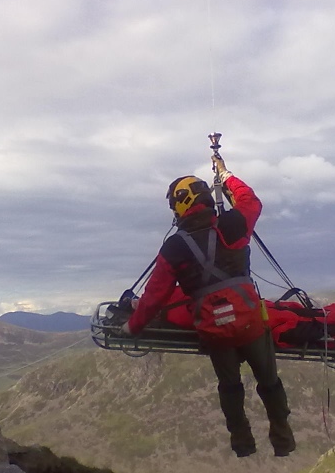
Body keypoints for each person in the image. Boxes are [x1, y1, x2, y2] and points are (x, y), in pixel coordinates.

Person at [121, 154, 296, 457]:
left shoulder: (175, 246)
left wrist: (132, 326)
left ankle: (242, 443)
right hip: (250, 323)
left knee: (229, 386)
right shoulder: (233, 224)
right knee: (269, 381)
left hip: (215, 330)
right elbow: (250, 200)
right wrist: (226, 175)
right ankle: (282, 439)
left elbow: (154, 297)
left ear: (182, 204)